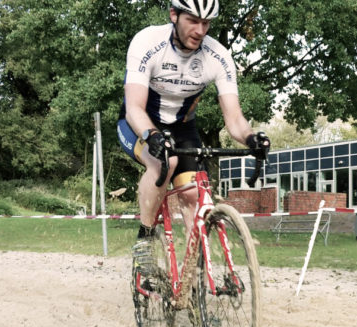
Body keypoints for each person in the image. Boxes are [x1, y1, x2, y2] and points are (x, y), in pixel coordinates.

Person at [116, 0, 270, 274]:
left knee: (194, 195)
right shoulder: (147, 42)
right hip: (139, 122)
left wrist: (250, 138)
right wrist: (151, 135)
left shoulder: (218, 55)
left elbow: (234, 118)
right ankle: (146, 239)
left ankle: (193, 275)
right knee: (164, 162)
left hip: (183, 128)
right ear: (174, 15)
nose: (200, 30)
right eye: (193, 21)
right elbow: (134, 107)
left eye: (207, 23)